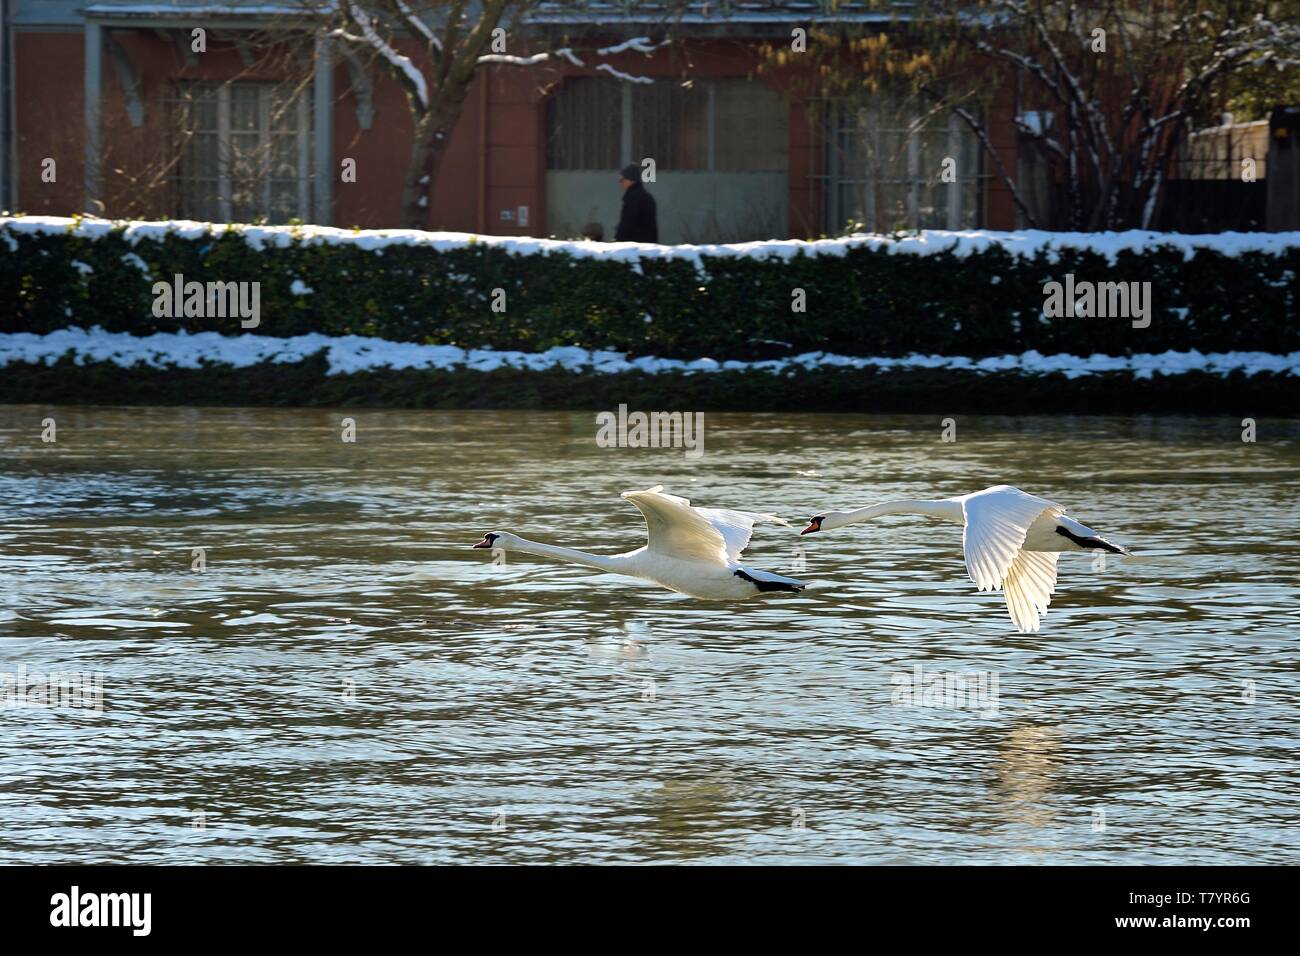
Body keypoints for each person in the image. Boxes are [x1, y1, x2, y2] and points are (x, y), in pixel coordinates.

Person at [614, 162, 658, 243]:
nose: (620, 183)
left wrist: (618, 240)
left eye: (622, 179)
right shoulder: (646, 196)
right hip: (648, 246)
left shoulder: (633, 198)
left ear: (631, 180)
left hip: (635, 247)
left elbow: (627, 223)